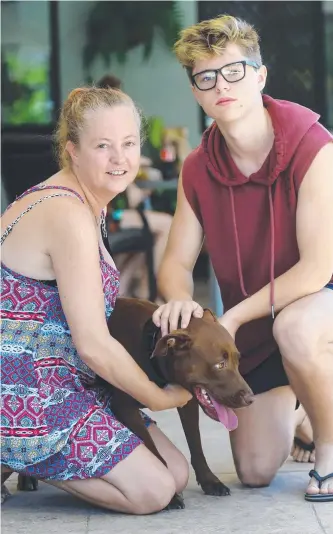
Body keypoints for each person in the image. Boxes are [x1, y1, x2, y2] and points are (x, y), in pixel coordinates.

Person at [152, 15, 333, 501]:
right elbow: (175, 262)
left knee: (293, 329)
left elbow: (318, 269)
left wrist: (230, 317)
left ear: (260, 75)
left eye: (234, 71)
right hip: (256, 327)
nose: (221, 85)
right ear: (196, 92)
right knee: (253, 472)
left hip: (319, 307)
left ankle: (329, 453)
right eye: (206, 77)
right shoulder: (198, 167)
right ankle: (303, 409)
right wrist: (180, 304)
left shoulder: (314, 146)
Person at [0, 86, 192, 513]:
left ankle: (32, 456)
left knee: (175, 473)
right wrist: (158, 397)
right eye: (102, 146)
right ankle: (15, 451)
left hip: (67, 382)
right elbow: (92, 343)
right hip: (24, 392)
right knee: (153, 491)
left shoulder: (90, 204)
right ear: (73, 151)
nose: (119, 159)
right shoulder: (65, 212)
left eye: (127, 144)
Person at [97, 74, 173, 300]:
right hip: (111, 217)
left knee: (147, 239)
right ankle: (156, 290)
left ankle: (131, 290)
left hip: (106, 216)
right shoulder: (109, 140)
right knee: (166, 225)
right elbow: (126, 197)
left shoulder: (95, 139)